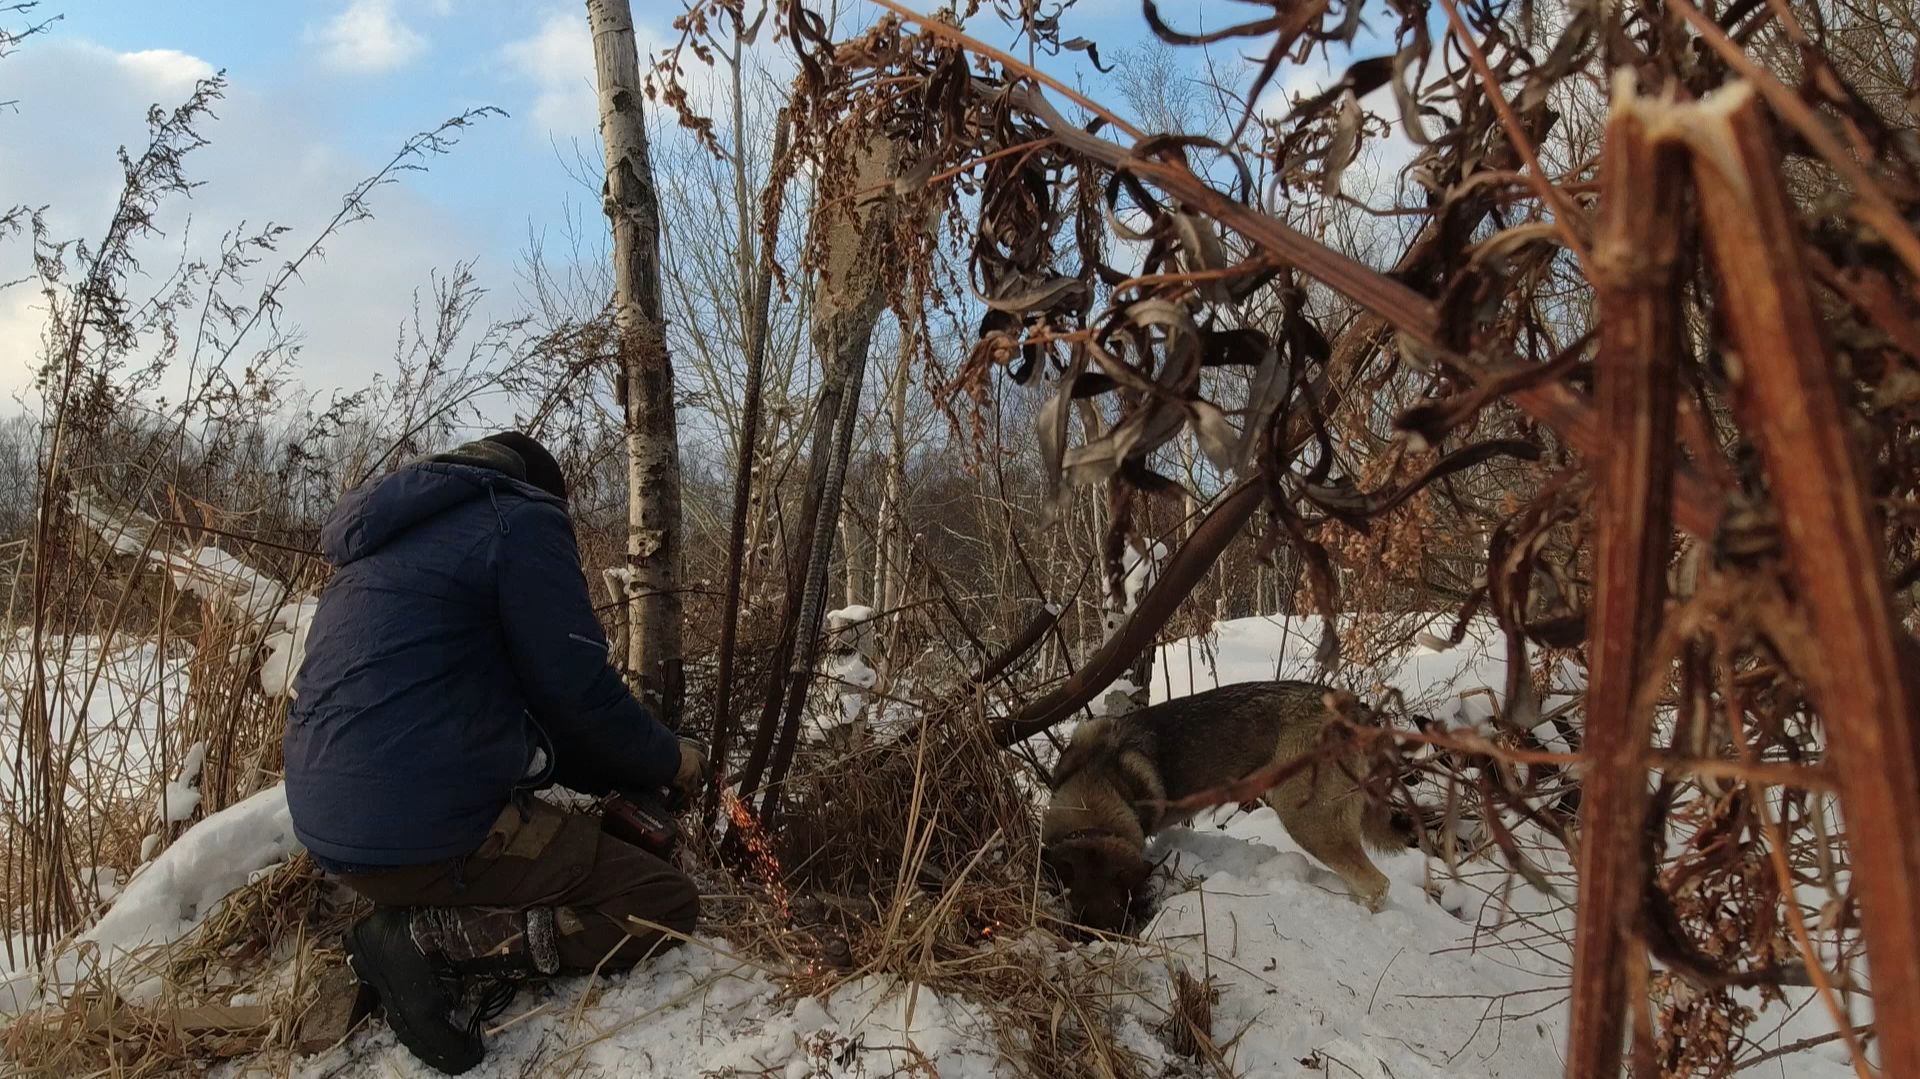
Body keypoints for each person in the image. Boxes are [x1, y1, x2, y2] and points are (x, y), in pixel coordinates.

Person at [284, 431, 706, 1075]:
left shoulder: (381, 542)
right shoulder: (522, 518)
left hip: (330, 831)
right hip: (416, 831)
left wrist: (608, 769)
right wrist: (669, 761)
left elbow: (535, 711)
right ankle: (423, 945)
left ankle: (418, 905)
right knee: (662, 904)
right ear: (540, 490)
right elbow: (580, 694)